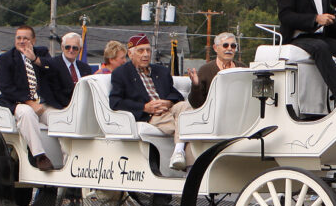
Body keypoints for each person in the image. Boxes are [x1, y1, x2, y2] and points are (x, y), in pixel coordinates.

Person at [109, 34, 193, 172]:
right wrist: (144, 107)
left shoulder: (161, 71)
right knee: (188, 126)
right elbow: (116, 102)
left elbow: (176, 94)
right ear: (130, 53)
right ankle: (190, 169)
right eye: (141, 51)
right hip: (151, 115)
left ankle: (178, 152)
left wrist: (168, 102)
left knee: (185, 107)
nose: (146, 54)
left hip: (169, 110)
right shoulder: (122, 74)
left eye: (148, 50)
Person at [0, 24, 58, 171]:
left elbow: (53, 71)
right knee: (27, 113)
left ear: (33, 41)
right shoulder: (5, 59)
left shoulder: (41, 53)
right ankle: (39, 156)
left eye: (25, 38)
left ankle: (66, 156)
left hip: (42, 103)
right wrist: (29, 103)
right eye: (19, 38)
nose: (22, 41)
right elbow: (6, 87)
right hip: (16, 102)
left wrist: (35, 59)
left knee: (58, 118)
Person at [187, 31, 244, 108]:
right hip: (214, 115)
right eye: (225, 45)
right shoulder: (205, 70)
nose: (230, 48)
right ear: (215, 48)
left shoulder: (242, 68)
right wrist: (196, 86)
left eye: (233, 46)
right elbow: (196, 104)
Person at [48, 31, 93, 108]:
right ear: (62, 47)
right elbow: (55, 92)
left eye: (75, 48)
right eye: (67, 47)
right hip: (60, 108)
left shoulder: (86, 68)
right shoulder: (53, 64)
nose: (71, 50)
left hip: (83, 107)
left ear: (80, 49)